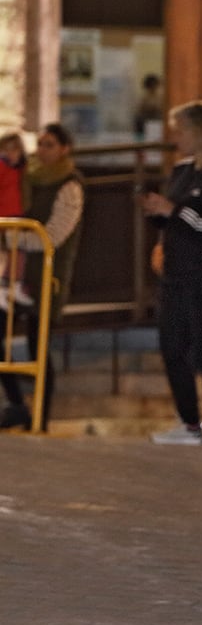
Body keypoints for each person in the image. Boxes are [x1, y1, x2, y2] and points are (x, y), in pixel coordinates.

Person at [142, 100, 202, 446]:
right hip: (176, 272)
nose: (175, 137)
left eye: (180, 130)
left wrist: (174, 210)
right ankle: (189, 423)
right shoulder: (181, 170)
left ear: (198, 132)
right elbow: (174, 219)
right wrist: (159, 219)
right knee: (171, 346)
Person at [0, 123, 84, 431]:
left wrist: (12, 238)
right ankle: (17, 405)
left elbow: (54, 235)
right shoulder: (29, 178)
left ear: (64, 149)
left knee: (38, 346)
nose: (42, 151)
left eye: (49, 145)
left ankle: (41, 418)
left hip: (47, 276)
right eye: (40, 144)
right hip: (15, 275)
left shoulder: (70, 186)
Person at [0, 131, 33, 308]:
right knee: (11, 252)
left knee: (18, 252)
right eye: (7, 150)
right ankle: (5, 287)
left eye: (15, 150)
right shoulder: (2, 167)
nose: (10, 153)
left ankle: (15, 284)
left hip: (18, 214)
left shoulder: (22, 168)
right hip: (6, 215)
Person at [134, 73, 164, 137]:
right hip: (146, 123)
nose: (154, 87)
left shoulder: (159, 97)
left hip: (157, 124)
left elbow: (161, 109)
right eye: (152, 85)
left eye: (155, 85)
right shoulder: (144, 98)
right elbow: (140, 112)